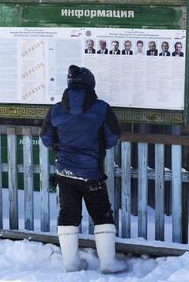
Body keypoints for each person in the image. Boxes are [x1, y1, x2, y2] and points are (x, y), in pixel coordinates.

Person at [41, 65, 127, 274]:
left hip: (65, 173)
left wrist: (60, 148)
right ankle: (108, 263)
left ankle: (71, 264)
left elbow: (45, 138)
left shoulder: (56, 109)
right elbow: (113, 138)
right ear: (91, 84)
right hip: (91, 174)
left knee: (68, 214)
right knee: (101, 214)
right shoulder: (101, 108)